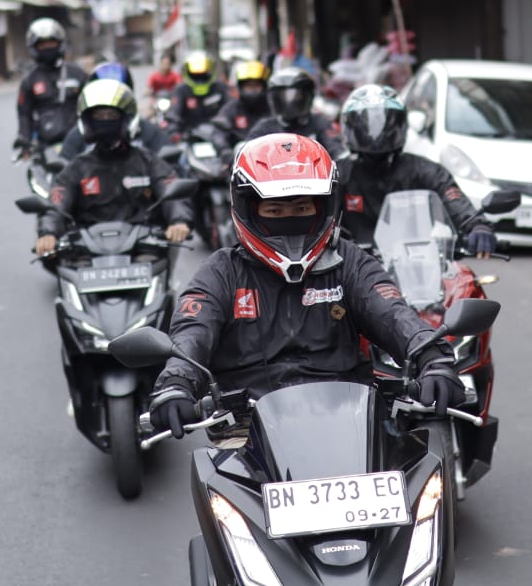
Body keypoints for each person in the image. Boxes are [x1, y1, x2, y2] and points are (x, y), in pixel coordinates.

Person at [147, 133, 464, 440]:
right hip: (245, 431)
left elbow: (394, 314)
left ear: (324, 207)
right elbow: (192, 332)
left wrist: (432, 358)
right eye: (274, 210)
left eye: (301, 209)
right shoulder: (221, 272)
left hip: (347, 422)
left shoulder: (348, 262)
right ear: (247, 209)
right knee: (211, 480)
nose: (289, 219)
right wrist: (176, 382)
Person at [338, 84, 498, 259]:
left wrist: (477, 225)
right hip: (349, 268)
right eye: (366, 126)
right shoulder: (338, 174)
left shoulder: (424, 171)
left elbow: (452, 198)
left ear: (401, 124)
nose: (376, 135)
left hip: (416, 267)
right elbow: (314, 215)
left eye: (385, 122)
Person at [35, 79, 192, 257]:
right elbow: (57, 201)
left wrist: (179, 221)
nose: (105, 121)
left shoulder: (148, 161)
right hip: (87, 256)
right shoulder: (77, 168)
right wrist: (48, 232)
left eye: (111, 115)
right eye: (98, 116)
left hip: (142, 252)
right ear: (87, 121)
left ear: (127, 118)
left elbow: (170, 187)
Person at [60, 62, 166, 158]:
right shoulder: (77, 136)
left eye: (112, 114)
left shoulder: (149, 132)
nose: (106, 119)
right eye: (100, 115)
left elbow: (168, 167)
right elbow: (63, 170)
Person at [14, 17, 84, 156]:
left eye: (51, 43)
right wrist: (24, 140)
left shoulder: (77, 74)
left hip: (80, 143)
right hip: (45, 147)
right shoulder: (30, 80)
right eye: (42, 45)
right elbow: (24, 114)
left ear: (60, 43)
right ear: (34, 48)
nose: (47, 48)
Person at [244, 67, 344, 157]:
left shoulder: (319, 123)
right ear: (275, 98)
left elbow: (336, 151)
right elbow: (247, 153)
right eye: (283, 96)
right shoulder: (265, 127)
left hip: (312, 177)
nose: (289, 101)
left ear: (307, 96)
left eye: (296, 95)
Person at [166, 51, 230, 136]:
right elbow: (174, 114)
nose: (200, 76)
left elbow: (231, 108)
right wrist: (174, 131)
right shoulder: (181, 90)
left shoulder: (219, 88)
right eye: (196, 74)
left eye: (203, 74)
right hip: (189, 135)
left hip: (218, 134)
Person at [209, 59, 271, 143]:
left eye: (256, 86)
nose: (252, 90)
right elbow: (219, 132)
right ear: (241, 87)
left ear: (264, 87)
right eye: (249, 86)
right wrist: (225, 151)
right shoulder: (231, 109)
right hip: (237, 154)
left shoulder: (273, 108)